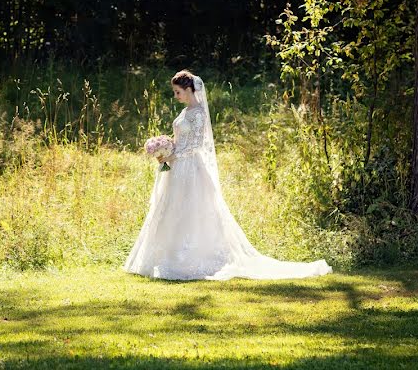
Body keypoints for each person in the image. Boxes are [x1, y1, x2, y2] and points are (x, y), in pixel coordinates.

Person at [122, 70, 333, 281]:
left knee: (192, 209)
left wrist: (172, 155)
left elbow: (195, 145)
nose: (175, 96)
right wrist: (165, 150)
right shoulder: (185, 112)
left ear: (188, 90)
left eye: (178, 92)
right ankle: (166, 255)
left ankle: (190, 258)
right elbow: (180, 140)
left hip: (190, 167)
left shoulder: (199, 113)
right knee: (172, 208)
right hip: (177, 166)